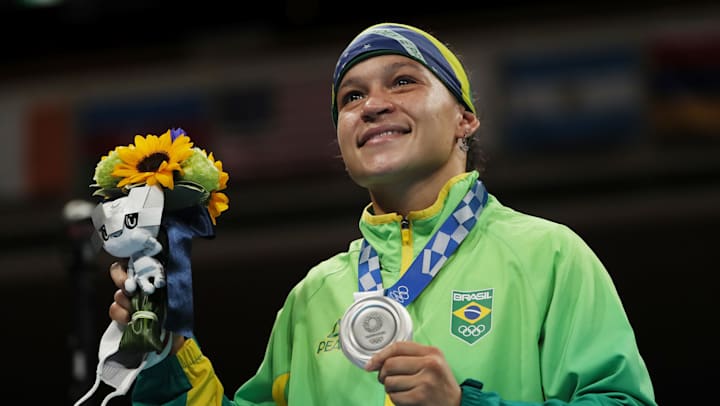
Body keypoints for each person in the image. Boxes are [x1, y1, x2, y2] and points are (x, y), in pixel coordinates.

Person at [107, 22, 657, 405]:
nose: (371, 105)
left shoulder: (549, 255)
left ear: (465, 119)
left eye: (403, 81)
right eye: (350, 97)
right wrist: (167, 354)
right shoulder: (313, 297)